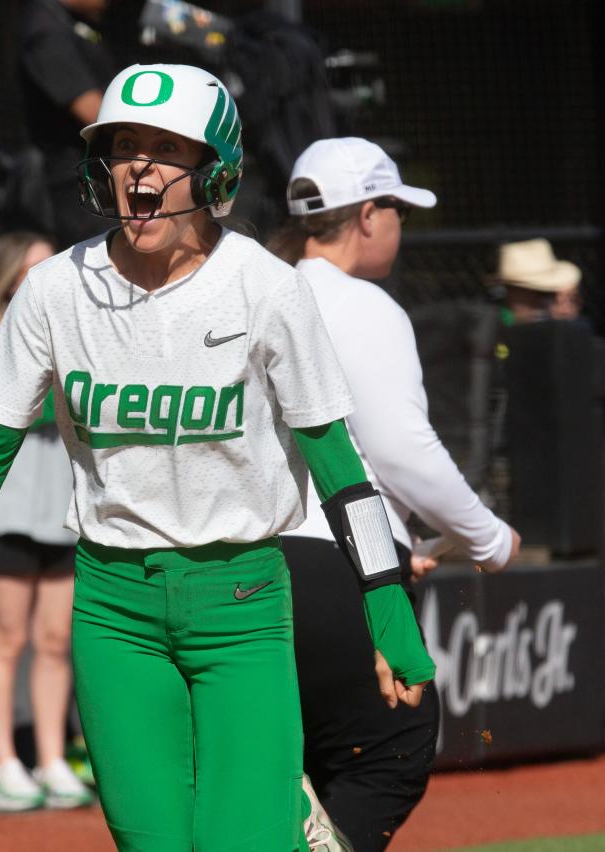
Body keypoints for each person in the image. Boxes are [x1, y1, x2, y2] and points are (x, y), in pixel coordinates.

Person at [0, 64, 435, 852]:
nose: (140, 167)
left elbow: (338, 463)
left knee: (249, 845)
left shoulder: (267, 289)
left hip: (242, 607)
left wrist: (388, 608)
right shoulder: (52, 291)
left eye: (167, 149)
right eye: (125, 146)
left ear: (218, 172)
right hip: (113, 610)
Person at [270, 136, 521, 851]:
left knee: (295, 759)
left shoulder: (256, 285)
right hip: (339, 562)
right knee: (393, 750)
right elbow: (400, 452)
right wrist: (488, 538)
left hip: (238, 562)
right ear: (370, 215)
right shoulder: (360, 304)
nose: (400, 229)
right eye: (398, 211)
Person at [0, 232, 90, 812]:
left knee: (55, 640)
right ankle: (2, 766)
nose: (47, 276)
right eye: (33, 267)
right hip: (7, 509)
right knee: (8, 640)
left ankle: (50, 759)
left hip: (60, 509)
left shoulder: (73, 331)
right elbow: (19, 401)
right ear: (9, 275)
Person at [18, 0, 115, 248]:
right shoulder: (46, 31)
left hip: (97, 177)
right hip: (75, 186)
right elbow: (95, 114)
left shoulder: (73, 22)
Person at [489, 238, 583, 324]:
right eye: (537, 293)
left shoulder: (562, 334)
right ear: (509, 293)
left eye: (550, 294)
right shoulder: (489, 333)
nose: (543, 303)